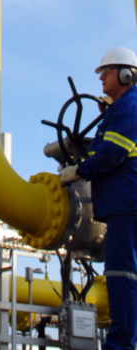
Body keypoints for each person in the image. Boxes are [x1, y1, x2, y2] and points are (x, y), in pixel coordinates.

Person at [60, 47, 137, 350]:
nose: (101, 78)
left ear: (125, 74)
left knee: (122, 274)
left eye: (105, 72)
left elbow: (111, 154)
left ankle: (121, 345)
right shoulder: (122, 108)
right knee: (125, 272)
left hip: (126, 203)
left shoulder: (129, 107)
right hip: (124, 202)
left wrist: (80, 171)